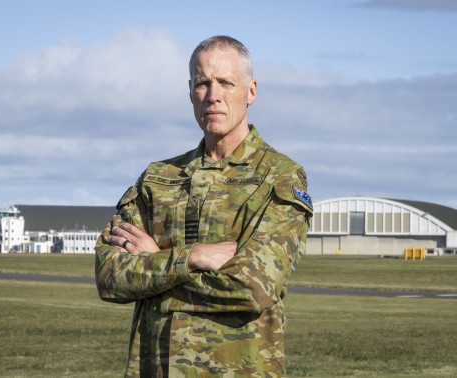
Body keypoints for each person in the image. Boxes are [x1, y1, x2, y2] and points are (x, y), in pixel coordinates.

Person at [95, 35, 313, 377]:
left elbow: (252, 288)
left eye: (226, 82)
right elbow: (109, 276)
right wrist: (193, 257)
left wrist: (156, 262)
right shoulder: (157, 178)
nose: (214, 95)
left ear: (251, 91)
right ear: (190, 92)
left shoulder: (278, 177)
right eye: (202, 83)